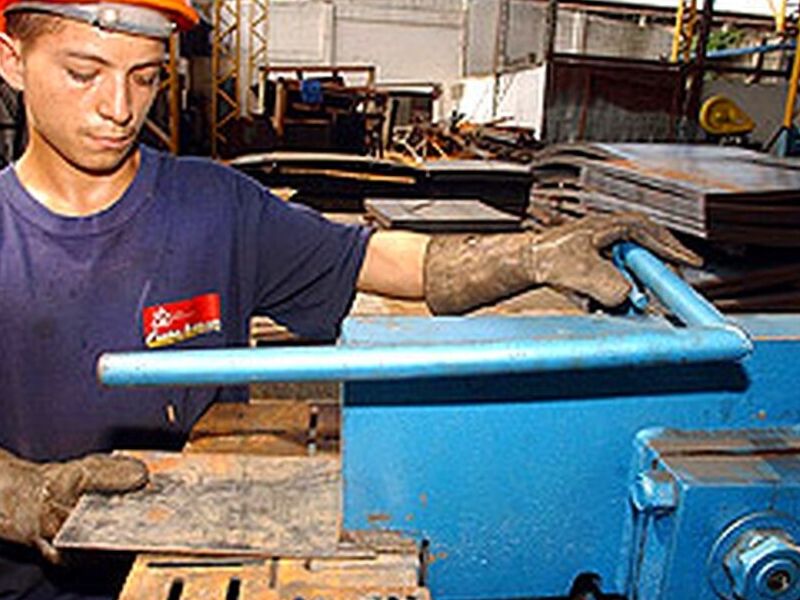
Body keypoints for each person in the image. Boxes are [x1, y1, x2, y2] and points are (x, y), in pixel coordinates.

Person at [0, 0, 701, 596]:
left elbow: (373, 257)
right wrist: (25, 496)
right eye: (84, 73)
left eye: (145, 77)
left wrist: (528, 255)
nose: (119, 108)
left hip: (205, 564)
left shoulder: (213, 207)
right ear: (11, 60)